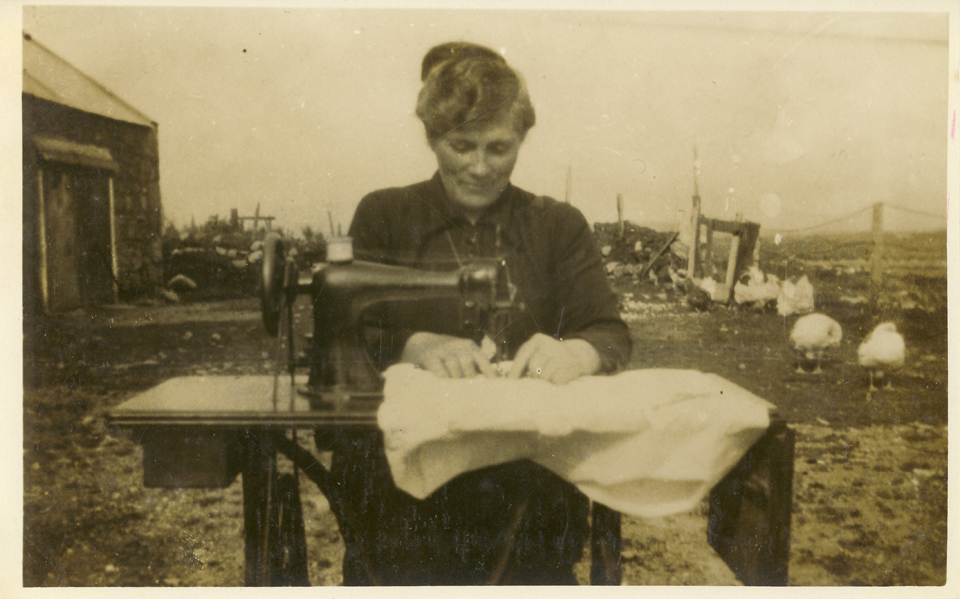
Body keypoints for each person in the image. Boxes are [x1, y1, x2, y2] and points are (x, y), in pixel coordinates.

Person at [326, 41, 632, 585]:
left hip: (529, 491)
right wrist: (417, 346)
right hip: (404, 499)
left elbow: (609, 332)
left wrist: (574, 352)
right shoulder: (385, 213)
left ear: (522, 139)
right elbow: (346, 327)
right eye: (461, 146)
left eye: (499, 147)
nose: (479, 167)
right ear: (431, 138)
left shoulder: (558, 224)